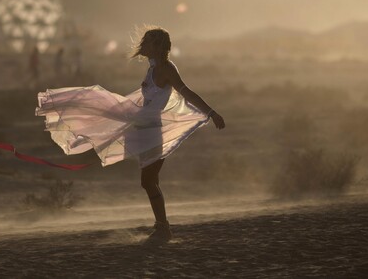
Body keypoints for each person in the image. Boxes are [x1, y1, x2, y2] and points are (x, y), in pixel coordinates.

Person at [35, 27, 225, 243]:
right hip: (142, 129)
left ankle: (163, 228)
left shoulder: (166, 68)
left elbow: (186, 92)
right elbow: (148, 101)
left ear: (157, 46)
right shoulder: (152, 69)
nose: (142, 44)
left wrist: (211, 112)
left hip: (153, 131)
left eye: (148, 41)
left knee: (149, 181)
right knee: (148, 181)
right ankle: (162, 227)